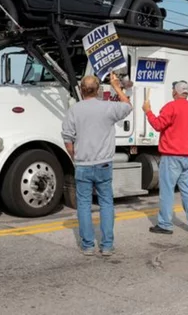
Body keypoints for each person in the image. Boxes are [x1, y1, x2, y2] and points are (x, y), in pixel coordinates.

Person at [61, 72, 132, 256]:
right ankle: (107, 245)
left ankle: (87, 246)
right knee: (106, 203)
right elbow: (128, 105)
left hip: (83, 164)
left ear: (81, 90)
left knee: (84, 205)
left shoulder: (74, 110)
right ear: (98, 90)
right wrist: (116, 86)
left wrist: (74, 155)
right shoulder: (108, 107)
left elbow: (68, 138)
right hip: (104, 165)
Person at [143, 80, 188, 235]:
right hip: (187, 157)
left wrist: (148, 111)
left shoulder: (171, 107)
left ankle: (164, 224)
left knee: (167, 191)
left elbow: (157, 125)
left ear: (175, 92)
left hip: (171, 156)